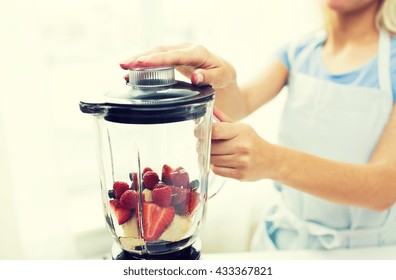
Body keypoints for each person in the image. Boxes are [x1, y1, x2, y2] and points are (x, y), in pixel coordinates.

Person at [120, 0, 396, 250]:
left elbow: (385, 187)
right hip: (281, 244)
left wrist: (272, 161)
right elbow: (240, 103)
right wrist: (219, 77)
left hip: (363, 253)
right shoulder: (298, 52)